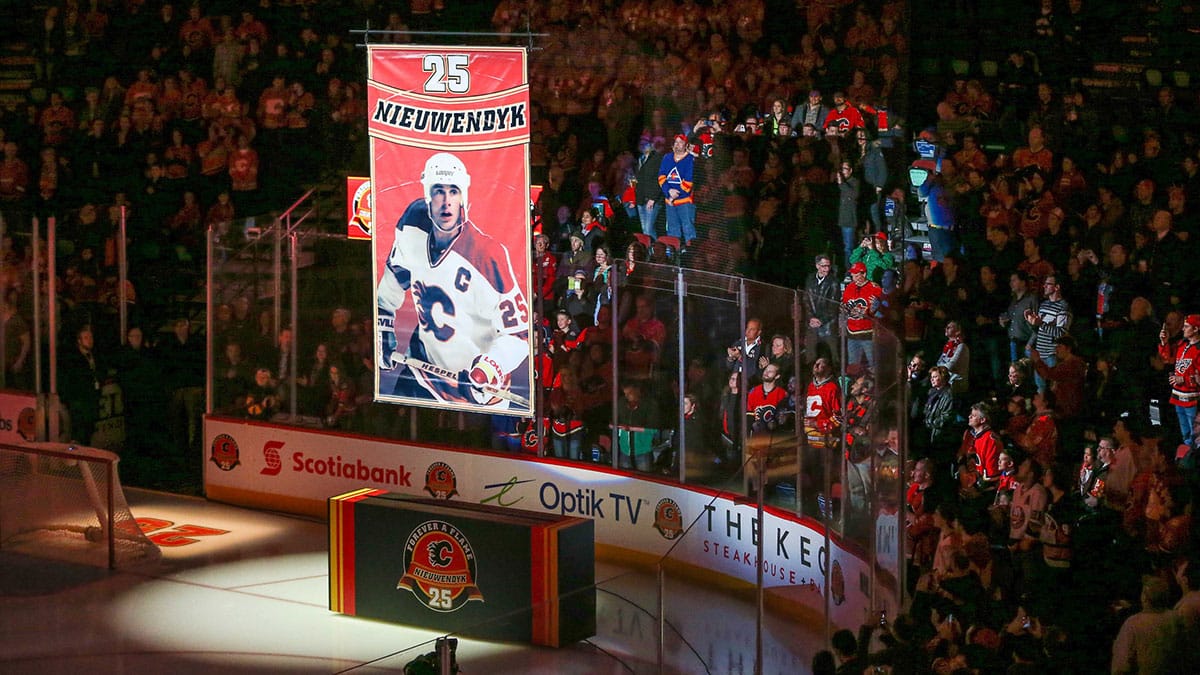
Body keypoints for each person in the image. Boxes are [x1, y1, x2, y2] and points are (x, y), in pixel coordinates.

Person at [376, 152, 529, 410]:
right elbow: (395, 277)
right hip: (422, 370)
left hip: (474, 392)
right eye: (438, 191)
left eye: (453, 192)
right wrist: (383, 320)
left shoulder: (487, 255)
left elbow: (519, 335)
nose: (446, 201)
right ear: (428, 196)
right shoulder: (413, 223)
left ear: (463, 198)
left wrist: (489, 368)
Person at [1158, 313, 1200, 463]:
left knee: (1194, 434)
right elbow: (1167, 358)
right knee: (1185, 435)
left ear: (1195, 329)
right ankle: (1187, 459)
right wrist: (1164, 342)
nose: (1183, 329)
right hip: (1178, 397)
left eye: (1187, 326)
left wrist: (1183, 379)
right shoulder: (1182, 344)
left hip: (1192, 399)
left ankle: (1193, 461)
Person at [841, 261, 883, 372]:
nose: (853, 276)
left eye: (856, 274)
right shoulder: (849, 287)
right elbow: (844, 306)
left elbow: (880, 312)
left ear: (863, 274)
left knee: (873, 366)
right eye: (852, 274)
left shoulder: (875, 288)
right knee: (853, 367)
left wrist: (874, 309)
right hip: (852, 333)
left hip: (868, 334)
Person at [657, 133, 696, 247]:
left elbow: (688, 181)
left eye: (681, 142)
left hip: (684, 201)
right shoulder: (667, 157)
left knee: (688, 228)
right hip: (669, 200)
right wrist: (668, 191)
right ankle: (673, 254)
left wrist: (675, 194)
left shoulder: (690, 159)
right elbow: (661, 176)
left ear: (686, 145)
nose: (678, 145)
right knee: (672, 230)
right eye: (676, 142)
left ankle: (691, 253)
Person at [804, 254, 841, 364]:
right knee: (810, 356)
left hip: (828, 324)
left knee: (833, 356)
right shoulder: (810, 279)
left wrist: (822, 320)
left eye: (828, 266)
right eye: (824, 266)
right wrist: (811, 318)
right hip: (812, 323)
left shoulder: (834, 282)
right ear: (817, 266)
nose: (826, 269)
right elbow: (806, 300)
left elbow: (834, 305)